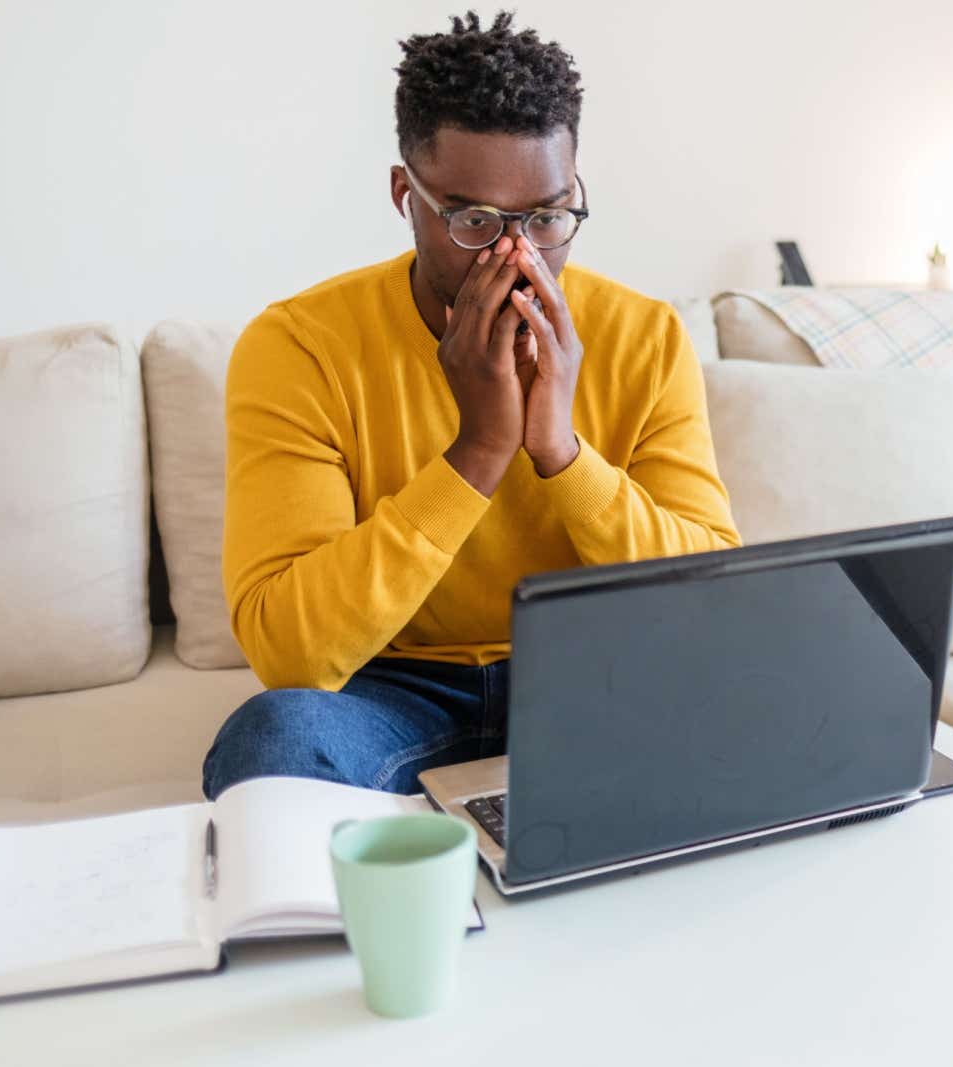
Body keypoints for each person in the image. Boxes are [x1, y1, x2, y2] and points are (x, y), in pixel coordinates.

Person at [201, 9, 741, 801]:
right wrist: (480, 451)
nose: (518, 255)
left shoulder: (646, 336)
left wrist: (561, 452)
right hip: (386, 688)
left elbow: (715, 609)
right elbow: (292, 654)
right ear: (403, 195)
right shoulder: (299, 346)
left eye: (550, 216)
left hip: (590, 677)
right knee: (274, 734)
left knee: (765, 709)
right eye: (475, 220)